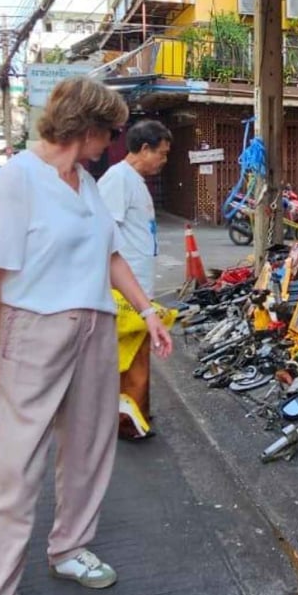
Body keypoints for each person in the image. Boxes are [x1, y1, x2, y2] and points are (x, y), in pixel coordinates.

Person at [0, 76, 173, 595]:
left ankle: (70, 546)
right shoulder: (17, 180)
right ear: (87, 128)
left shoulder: (88, 183)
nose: (114, 143)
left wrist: (147, 312)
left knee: (92, 449)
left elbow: (110, 254)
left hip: (93, 327)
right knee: (16, 466)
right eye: (110, 131)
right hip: (32, 329)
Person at [96, 118, 173, 440]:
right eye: (162, 153)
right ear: (144, 149)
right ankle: (128, 421)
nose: (164, 161)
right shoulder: (118, 179)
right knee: (130, 357)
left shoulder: (134, 180)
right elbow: (104, 235)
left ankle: (134, 412)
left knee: (135, 352)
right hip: (124, 287)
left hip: (138, 284)